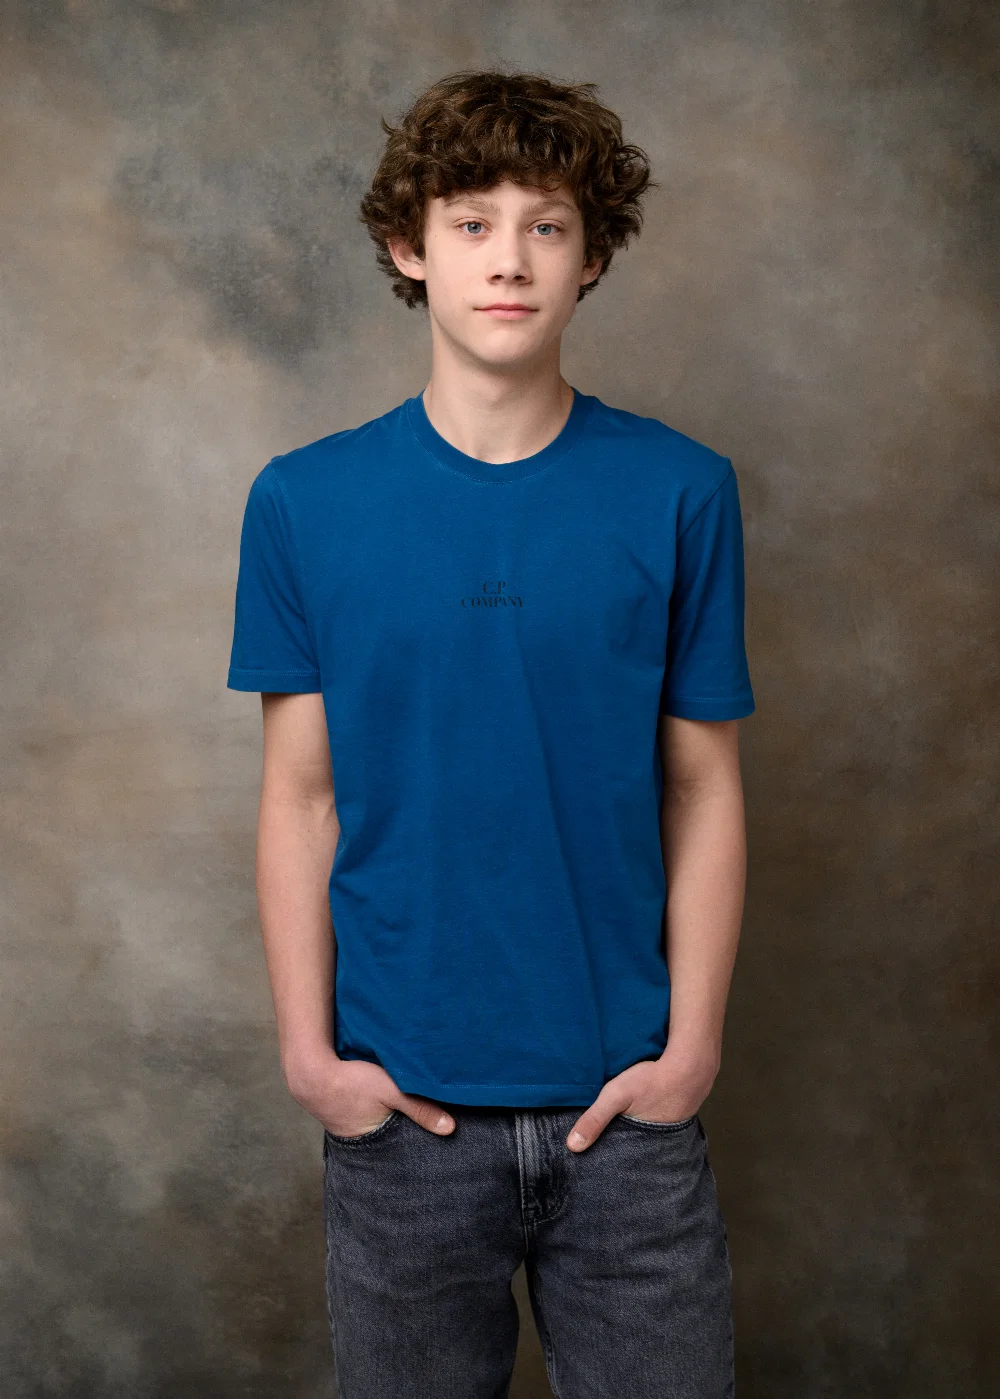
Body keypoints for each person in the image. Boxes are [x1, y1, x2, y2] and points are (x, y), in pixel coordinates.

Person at [227, 68, 754, 1399]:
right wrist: (312, 1061)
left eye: (547, 225)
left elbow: (702, 788)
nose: (509, 258)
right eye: (471, 222)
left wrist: (689, 1052)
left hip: (625, 1116)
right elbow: (301, 797)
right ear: (409, 247)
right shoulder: (304, 501)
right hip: (404, 1117)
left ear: (592, 258)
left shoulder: (681, 491)